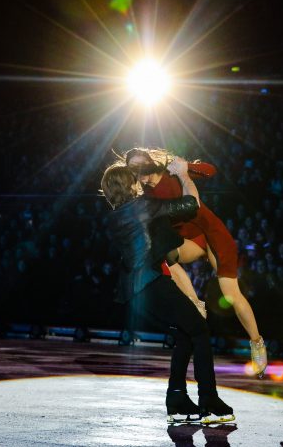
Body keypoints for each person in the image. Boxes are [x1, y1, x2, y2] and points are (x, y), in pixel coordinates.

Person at [100, 157, 234, 423]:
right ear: (129, 184)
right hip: (154, 284)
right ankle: (208, 398)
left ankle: (177, 398)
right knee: (199, 329)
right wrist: (184, 175)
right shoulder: (143, 206)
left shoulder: (113, 219)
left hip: (135, 294)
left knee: (186, 333)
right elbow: (190, 205)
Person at [122, 147, 267, 377]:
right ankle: (195, 303)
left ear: (150, 162)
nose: (141, 175)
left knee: (230, 293)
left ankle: (257, 342)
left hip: (213, 234)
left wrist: (186, 168)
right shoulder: (145, 197)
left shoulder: (172, 172)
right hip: (190, 241)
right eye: (134, 171)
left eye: (142, 167)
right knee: (164, 255)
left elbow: (211, 170)